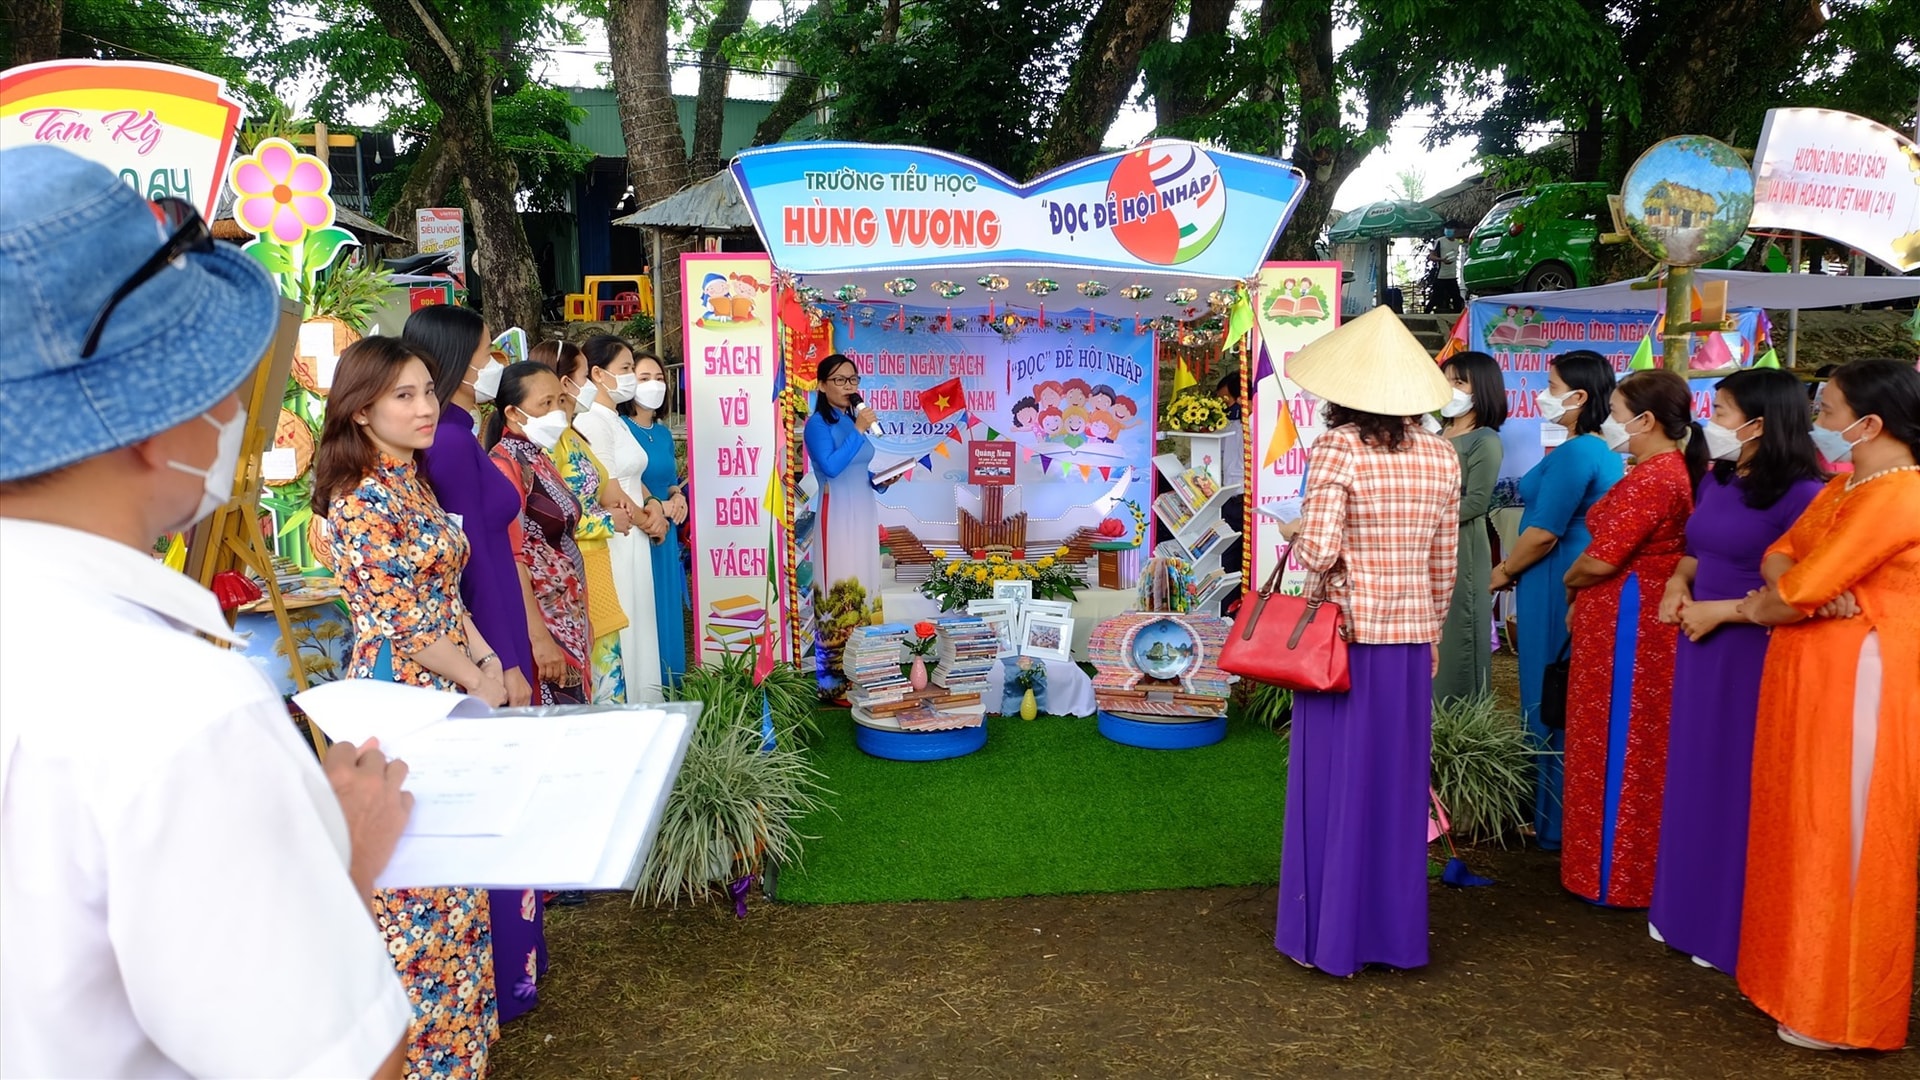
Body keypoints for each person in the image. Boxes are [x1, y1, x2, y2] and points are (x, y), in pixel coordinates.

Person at [0, 145, 413, 1079]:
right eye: (220, 377)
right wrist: (337, 867)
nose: (238, 407)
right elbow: (337, 1062)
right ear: (152, 423)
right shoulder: (178, 707)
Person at [313, 336, 502, 1075]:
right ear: (361, 412)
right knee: (416, 888)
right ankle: (421, 1058)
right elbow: (405, 622)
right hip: (400, 699)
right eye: (405, 396)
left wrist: (486, 660)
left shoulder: (410, 478)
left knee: (457, 876)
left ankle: (461, 1048)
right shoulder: (359, 498)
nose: (426, 407)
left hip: (450, 684)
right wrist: (477, 679)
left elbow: (444, 595)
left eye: (429, 390)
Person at [1734, 358, 1920, 1052]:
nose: (1820, 420)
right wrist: (1794, 589)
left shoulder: (1900, 495)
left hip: (1865, 681)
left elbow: (1786, 593)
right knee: (1802, 826)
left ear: (1870, 423)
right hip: (1814, 676)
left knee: (1845, 834)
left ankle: (1839, 1008)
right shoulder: (1849, 486)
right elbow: (1782, 560)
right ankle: (1797, 980)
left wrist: (1787, 595)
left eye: (1830, 408)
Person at [1270, 308, 1461, 976]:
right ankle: (1394, 935)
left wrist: (1296, 535)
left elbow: (1319, 554)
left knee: (1335, 783)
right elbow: (1446, 561)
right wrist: (1432, 631)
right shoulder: (1441, 454)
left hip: (1345, 641)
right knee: (1395, 783)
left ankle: (1330, 933)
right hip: (1410, 641)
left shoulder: (1339, 449)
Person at [1648, 367, 1825, 973]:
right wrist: (1677, 583)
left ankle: (1727, 924)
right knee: (1693, 772)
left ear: (1760, 421)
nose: (1711, 422)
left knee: (1735, 782)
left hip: (1752, 647)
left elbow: (1806, 592)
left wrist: (1722, 613)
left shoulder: (1803, 493)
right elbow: (1697, 549)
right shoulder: (1720, 477)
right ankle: (1681, 908)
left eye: (1721, 411)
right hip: (1699, 639)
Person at [401, 303, 547, 1023]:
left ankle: (517, 961)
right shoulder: (452, 443)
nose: (494, 363)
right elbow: (465, 565)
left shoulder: (457, 434)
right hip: (487, 624)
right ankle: (510, 969)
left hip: (493, 622)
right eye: (488, 352)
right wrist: (500, 657)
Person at [1558, 369, 1705, 909]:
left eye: (1617, 413)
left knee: (1622, 736)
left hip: (1631, 624)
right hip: (1620, 616)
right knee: (1608, 734)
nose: (1610, 422)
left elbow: (1602, 558)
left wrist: (1571, 583)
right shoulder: (1658, 469)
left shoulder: (1658, 477)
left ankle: (1613, 874)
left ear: (1645, 420)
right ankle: (1601, 868)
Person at [1490, 350, 1622, 849]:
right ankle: (1563, 814)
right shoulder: (1598, 449)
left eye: (1551, 384)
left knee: (1548, 695)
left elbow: (1544, 532)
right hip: (1562, 576)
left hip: (1553, 578)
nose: (1543, 395)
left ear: (1580, 396)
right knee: (1564, 691)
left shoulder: (1576, 453)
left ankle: (1551, 818)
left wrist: (1501, 572)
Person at [485, 361, 595, 705]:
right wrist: (539, 637)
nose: (557, 412)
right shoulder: (505, 465)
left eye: (560, 401)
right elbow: (512, 555)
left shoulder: (538, 457)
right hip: (544, 623)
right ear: (514, 413)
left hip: (568, 616)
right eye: (544, 404)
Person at [569, 334, 667, 702]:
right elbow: (607, 485)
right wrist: (646, 519)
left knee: (641, 622)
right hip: (618, 537)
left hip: (635, 533)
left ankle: (647, 702)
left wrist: (654, 504)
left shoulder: (616, 418)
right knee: (625, 625)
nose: (631, 377)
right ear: (598, 373)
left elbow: (635, 477)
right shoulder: (593, 420)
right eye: (626, 369)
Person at [552, 343, 647, 704]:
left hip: (599, 562)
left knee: (609, 667)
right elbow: (550, 518)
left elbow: (603, 486)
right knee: (592, 677)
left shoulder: (574, 435)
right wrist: (610, 520)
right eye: (582, 375)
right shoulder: (552, 443)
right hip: (575, 570)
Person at [1434, 350, 1507, 706]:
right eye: (1446, 380)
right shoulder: (1438, 432)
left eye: (1459, 382)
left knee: (1460, 626)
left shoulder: (1485, 440)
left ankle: (1461, 715)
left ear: (1482, 390)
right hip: (1428, 544)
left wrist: (1426, 515)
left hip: (1463, 543)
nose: (1450, 389)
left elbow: (1477, 502)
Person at [622, 349, 690, 686]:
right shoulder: (620, 428)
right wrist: (657, 505)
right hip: (641, 525)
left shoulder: (663, 433)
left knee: (667, 606)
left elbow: (670, 479)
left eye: (660, 378)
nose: (654, 385)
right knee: (646, 608)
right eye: (644, 378)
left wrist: (678, 497)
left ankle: (672, 682)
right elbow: (627, 477)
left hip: (669, 529)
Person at [805, 354, 886, 600]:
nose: (849, 385)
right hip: (838, 510)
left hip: (864, 508)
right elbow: (831, 467)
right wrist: (859, 429)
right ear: (821, 385)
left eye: (853, 379)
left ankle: (867, 638)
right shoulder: (817, 424)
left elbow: (856, 469)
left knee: (865, 571)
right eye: (840, 379)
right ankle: (837, 637)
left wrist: (880, 480)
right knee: (842, 576)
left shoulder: (850, 419)